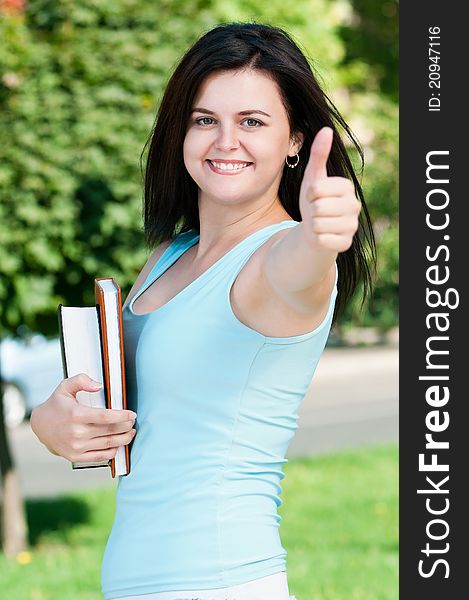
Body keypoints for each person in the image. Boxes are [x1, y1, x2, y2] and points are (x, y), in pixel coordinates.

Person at [31, 22, 375, 600]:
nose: (225, 141)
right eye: (205, 119)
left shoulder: (277, 260)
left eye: (253, 123)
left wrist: (321, 235)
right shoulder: (170, 257)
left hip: (221, 583)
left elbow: (301, 267)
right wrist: (52, 425)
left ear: (296, 141)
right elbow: (129, 417)